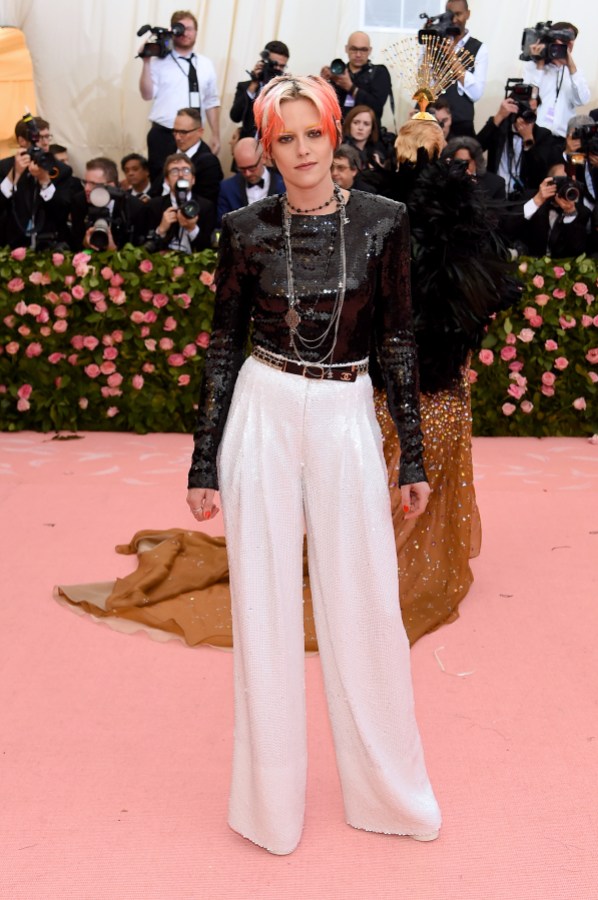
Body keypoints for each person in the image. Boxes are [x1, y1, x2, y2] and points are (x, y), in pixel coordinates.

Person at [187, 74, 441, 855]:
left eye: (313, 134)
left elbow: (399, 338)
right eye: (284, 138)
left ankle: (391, 797)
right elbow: (224, 343)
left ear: (337, 137)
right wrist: (204, 461)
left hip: (342, 412)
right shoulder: (242, 228)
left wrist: (411, 457)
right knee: (260, 607)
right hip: (261, 411)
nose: (301, 151)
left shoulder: (384, 222)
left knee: (364, 602)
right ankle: (268, 809)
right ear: (266, 147)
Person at [381, 116, 520, 642]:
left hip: (405, 368)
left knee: (396, 452)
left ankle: (375, 554)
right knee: (419, 454)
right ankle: (397, 553)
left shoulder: (379, 210)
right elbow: (498, 289)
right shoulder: (455, 214)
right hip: (422, 368)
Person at [138, 9, 221, 181]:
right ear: (173, 31)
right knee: (162, 181)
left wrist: (215, 134)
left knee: (199, 178)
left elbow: (211, 101)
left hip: (194, 134)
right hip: (164, 133)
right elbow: (146, 95)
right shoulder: (158, 62)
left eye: (189, 28)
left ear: (196, 32)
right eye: (180, 28)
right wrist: (146, 62)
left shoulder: (205, 64)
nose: (185, 33)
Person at [476, 94, 561, 199]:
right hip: (496, 194)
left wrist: (528, 141)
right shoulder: (499, 125)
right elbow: (476, 149)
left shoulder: (542, 134)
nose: (529, 116)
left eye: (533, 111)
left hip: (525, 197)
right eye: (526, 110)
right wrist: (499, 116)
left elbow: (539, 174)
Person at [522, 22, 590, 139]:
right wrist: (540, 65)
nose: (568, 42)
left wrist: (571, 67)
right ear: (552, 39)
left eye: (571, 39)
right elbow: (528, 99)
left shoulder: (575, 72)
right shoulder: (533, 67)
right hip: (534, 135)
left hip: (561, 139)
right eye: (563, 38)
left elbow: (582, 100)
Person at [69, 157, 148, 251]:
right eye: (85, 182)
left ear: (111, 186)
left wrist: (114, 250)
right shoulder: (79, 201)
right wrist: (84, 243)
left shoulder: (133, 206)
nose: (87, 188)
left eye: (93, 184)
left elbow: (137, 249)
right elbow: (75, 242)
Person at [144, 152, 215, 252]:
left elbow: (209, 248)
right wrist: (161, 230)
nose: (181, 175)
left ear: (193, 179)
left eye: (186, 171)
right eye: (174, 171)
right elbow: (146, 249)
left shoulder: (206, 206)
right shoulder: (153, 206)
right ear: (167, 181)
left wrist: (192, 229)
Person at [320, 31, 392, 124]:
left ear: (370, 50)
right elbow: (325, 107)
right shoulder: (339, 73)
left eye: (363, 50)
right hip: (340, 131)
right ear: (346, 49)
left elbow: (377, 107)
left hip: (369, 134)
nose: (358, 54)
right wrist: (323, 82)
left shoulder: (379, 72)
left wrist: (350, 87)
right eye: (354, 49)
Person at [440, 0, 488, 137]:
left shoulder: (479, 49)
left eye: (458, 14)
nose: (454, 20)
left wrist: (451, 57)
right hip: (432, 122)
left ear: (468, 14)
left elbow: (476, 93)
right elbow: (423, 83)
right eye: (450, 15)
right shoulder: (436, 43)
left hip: (460, 127)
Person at [229, 41, 290, 139]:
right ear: (264, 61)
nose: (278, 69)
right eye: (274, 64)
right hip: (248, 146)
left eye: (282, 66)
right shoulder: (245, 86)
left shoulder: (286, 89)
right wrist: (254, 84)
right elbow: (235, 117)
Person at [216, 137, 284, 225]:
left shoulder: (285, 184)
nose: (247, 174)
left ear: (263, 158)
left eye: (252, 168)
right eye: (242, 169)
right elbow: (221, 225)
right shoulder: (227, 188)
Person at [166, 108, 223, 205]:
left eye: (183, 132)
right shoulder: (170, 148)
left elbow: (207, 204)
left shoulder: (208, 162)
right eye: (175, 131)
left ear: (200, 132)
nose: (177, 137)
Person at [442, 135, 506, 200]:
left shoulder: (495, 184)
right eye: (457, 162)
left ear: (476, 161)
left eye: (465, 163)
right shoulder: (442, 183)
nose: (462, 167)